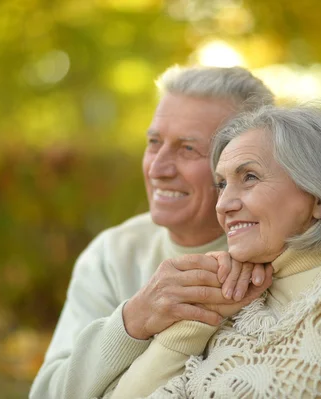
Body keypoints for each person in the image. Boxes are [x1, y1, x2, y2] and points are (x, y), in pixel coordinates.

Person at [106, 104, 321, 398]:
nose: (224, 204)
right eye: (222, 183)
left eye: (250, 178)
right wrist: (199, 316)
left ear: (317, 197)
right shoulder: (242, 303)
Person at [29, 66, 275, 399]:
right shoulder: (113, 254)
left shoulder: (285, 255)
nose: (157, 168)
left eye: (188, 149)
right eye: (154, 142)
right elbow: (47, 393)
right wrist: (133, 320)